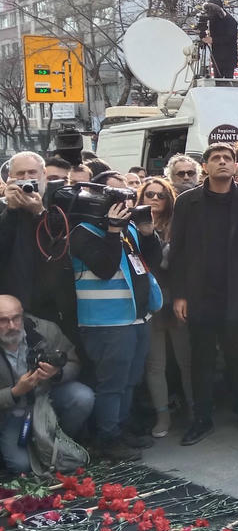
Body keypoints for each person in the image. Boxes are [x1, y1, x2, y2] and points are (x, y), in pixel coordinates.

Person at [169, 144, 238, 443]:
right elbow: (178, 251)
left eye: (228, 158)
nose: (223, 162)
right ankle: (201, 419)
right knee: (201, 360)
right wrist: (179, 294)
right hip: (200, 293)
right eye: (216, 158)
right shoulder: (187, 202)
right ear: (205, 166)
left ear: (235, 165)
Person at [69, 179, 163, 461]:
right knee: (112, 384)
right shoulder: (82, 232)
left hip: (137, 317)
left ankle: (120, 430)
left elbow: (151, 262)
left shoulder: (129, 228)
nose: (124, 204)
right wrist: (112, 231)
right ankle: (107, 439)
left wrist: (148, 234)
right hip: (106, 322)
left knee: (130, 379)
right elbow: (105, 269)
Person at [0, 295, 93, 474]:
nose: (12, 326)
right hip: (10, 411)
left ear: (22, 314)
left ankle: (59, 443)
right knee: (21, 466)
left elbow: (74, 362)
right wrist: (15, 392)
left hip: (45, 397)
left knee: (83, 396)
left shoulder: (44, 330)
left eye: (16, 318)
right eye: (3, 321)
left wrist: (57, 374)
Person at [0, 152, 77, 338]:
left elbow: (62, 247)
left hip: (55, 304)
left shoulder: (62, 203)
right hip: (12, 305)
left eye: (32, 172)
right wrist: (10, 211)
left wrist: (40, 213)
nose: (27, 178)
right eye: (20, 174)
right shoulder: (4, 208)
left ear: (44, 174)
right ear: (10, 177)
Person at [136, 177, 189, 439]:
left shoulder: (179, 225)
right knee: (154, 363)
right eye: (150, 194)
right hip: (147, 301)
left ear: (169, 199)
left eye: (161, 195)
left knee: (186, 359)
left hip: (176, 298)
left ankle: (195, 411)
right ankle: (162, 416)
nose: (155, 199)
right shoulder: (131, 227)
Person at [196, 0, 238, 80]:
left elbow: (229, 37)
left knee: (227, 81)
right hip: (217, 57)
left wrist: (213, 40)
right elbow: (203, 28)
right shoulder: (213, 19)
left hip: (228, 58)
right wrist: (202, 34)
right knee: (217, 80)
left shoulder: (230, 20)